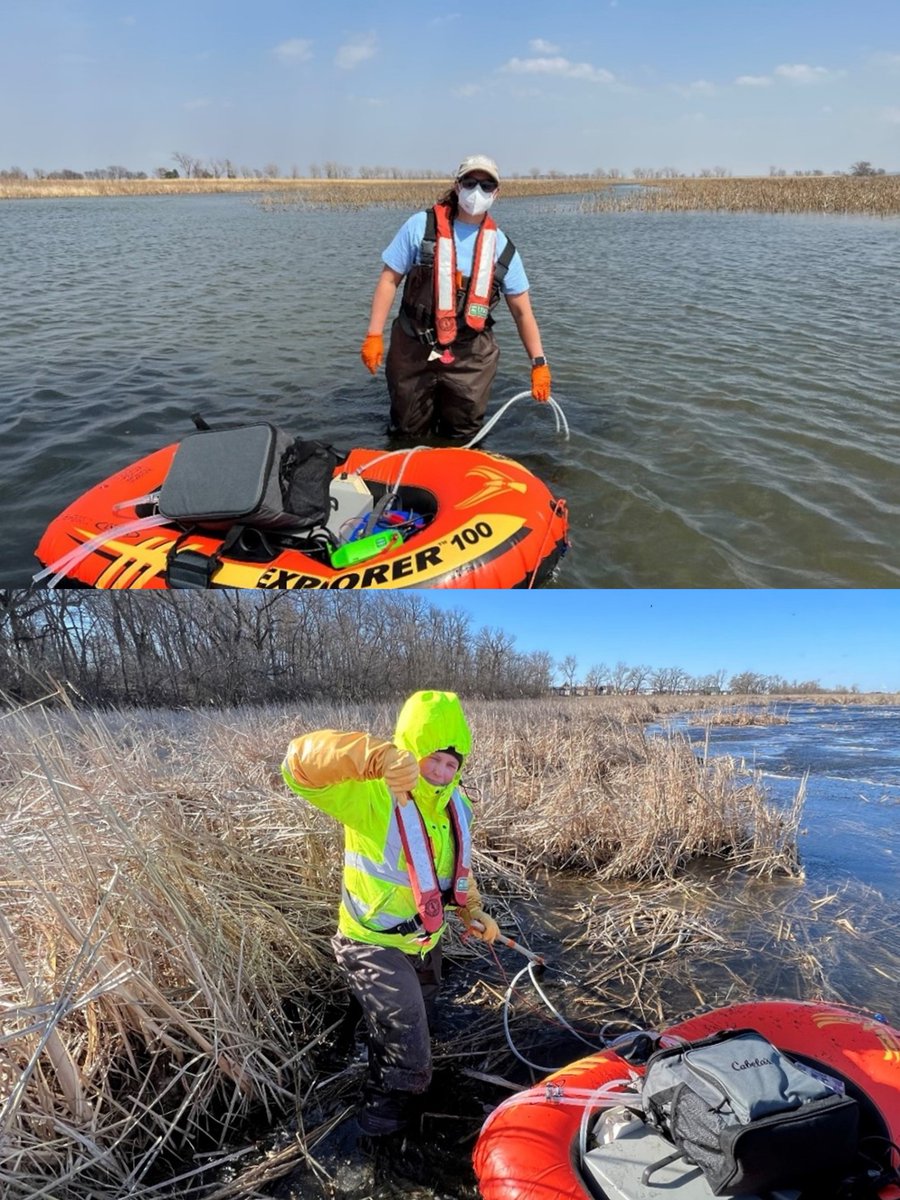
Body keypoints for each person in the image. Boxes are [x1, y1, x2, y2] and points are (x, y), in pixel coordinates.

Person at [281, 689, 500, 1144]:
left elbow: (457, 868)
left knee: (422, 1013)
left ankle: (345, 1034)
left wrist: (473, 909)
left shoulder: (457, 806)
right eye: (432, 759)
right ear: (410, 752)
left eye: (450, 764)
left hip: (423, 942)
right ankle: (376, 1134)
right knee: (411, 1062)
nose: (440, 772)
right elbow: (297, 767)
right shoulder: (373, 797)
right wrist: (374, 757)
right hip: (372, 942)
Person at [360, 154, 552, 441]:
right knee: (407, 430)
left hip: (470, 357)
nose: (478, 191)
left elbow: (523, 312)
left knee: (463, 435)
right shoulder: (420, 228)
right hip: (414, 347)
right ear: (457, 185)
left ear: (496, 193)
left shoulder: (502, 247)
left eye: (487, 186)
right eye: (471, 182)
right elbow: (389, 280)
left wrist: (539, 363)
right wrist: (374, 334)